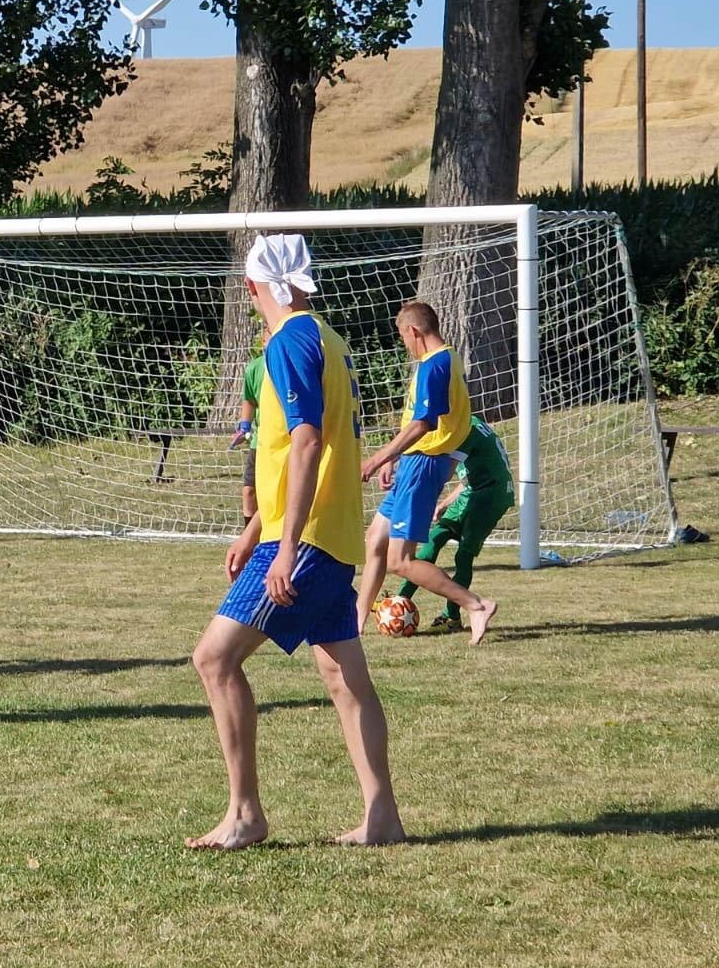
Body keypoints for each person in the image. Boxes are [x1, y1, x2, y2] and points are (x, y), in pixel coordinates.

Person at [188, 234, 403, 850]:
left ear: (256, 287)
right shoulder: (329, 339)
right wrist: (255, 528)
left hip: (304, 540)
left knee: (214, 659)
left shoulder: (287, 342)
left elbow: (307, 441)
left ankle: (245, 814)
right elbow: (303, 447)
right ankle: (381, 815)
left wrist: (280, 547)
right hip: (330, 534)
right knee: (343, 678)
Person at [358, 302, 498, 646]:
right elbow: (422, 420)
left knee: (400, 561)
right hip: (414, 462)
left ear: (413, 331)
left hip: (422, 465)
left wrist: (378, 458)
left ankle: (475, 604)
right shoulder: (442, 361)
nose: (403, 342)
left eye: (402, 335)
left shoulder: (436, 365)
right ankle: (356, 619)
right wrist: (396, 458)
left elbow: (424, 423)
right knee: (375, 539)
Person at [396, 415, 514, 635]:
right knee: (433, 539)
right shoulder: (463, 423)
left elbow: (444, 472)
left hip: (490, 496)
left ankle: (452, 616)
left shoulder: (464, 429)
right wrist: (442, 505)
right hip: (473, 491)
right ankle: (399, 600)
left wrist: (418, 496)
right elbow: (468, 479)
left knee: (463, 555)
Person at [228, 346, 264, 524]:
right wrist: (244, 427)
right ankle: (248, 533)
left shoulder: (289, 365)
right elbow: (249, 400)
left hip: (283, 444)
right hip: (259, 443)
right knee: (249, 490)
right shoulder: (255, 367)